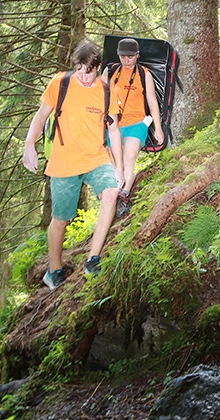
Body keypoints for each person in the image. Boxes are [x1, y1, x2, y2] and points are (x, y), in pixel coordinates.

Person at [22, 40, 124, 290]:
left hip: (96, 157)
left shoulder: (107, 91)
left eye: (88, 71)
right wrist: (29, 145)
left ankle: (93, 259)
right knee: (61, 219)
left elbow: (114, 129)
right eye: (79, 70)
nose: (83, 76)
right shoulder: (61, 83)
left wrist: (119, 167)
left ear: (98, 67)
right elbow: (41, 115)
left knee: (111, 193)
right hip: (64, 161)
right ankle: (54, 270)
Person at [102, 38, 163, 218]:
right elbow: (98, 96)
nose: (126, 60)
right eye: (123, 56)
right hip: (113, 124)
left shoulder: (145, 74)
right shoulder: (111, 71)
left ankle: (125, 195)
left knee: (129, 158)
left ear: (137, 55)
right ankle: (114, 195)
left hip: (137, 123)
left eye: (130, 57)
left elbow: (152, 102)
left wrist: (158, 128)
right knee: (114, 162)